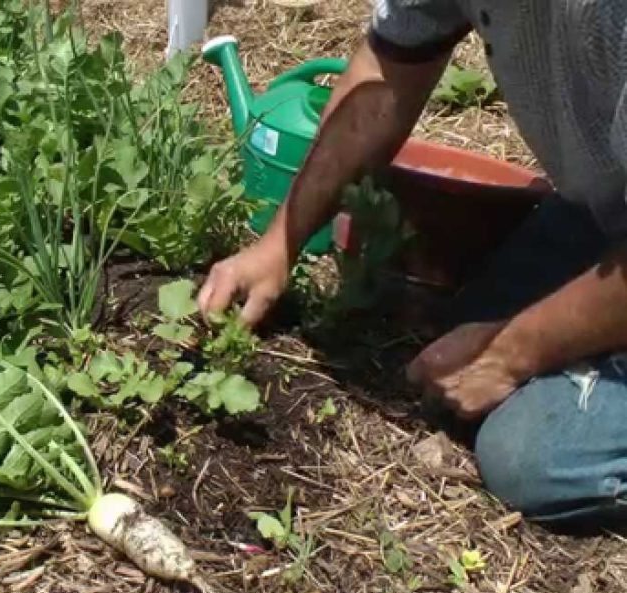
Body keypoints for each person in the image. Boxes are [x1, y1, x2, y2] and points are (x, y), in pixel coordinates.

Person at [196, 0, 627, 532]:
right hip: (605, 211)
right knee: (460, 329)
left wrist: (513, 353)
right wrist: (280, 242)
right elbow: (387, 72)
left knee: (532, 458)